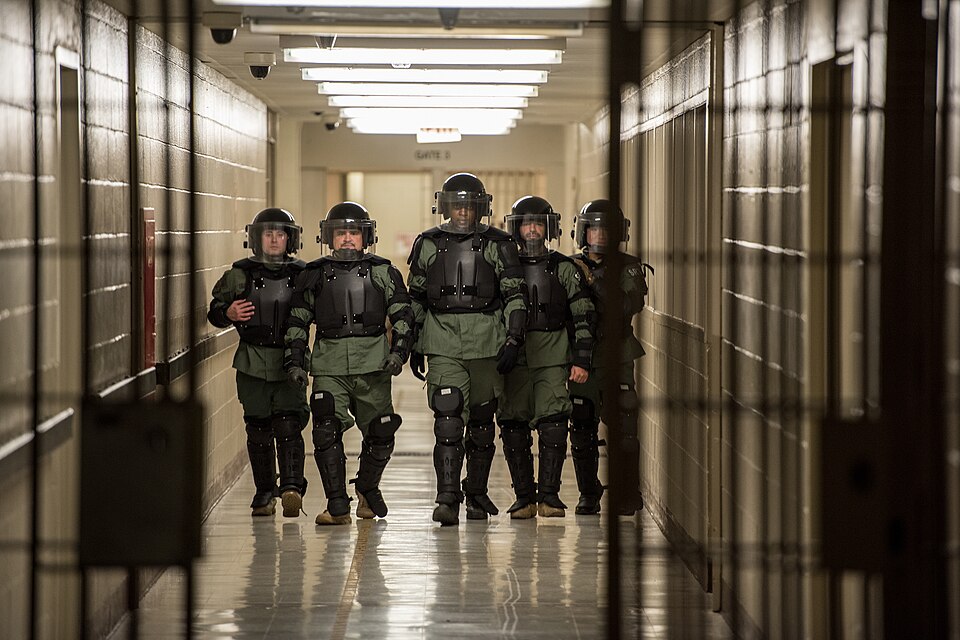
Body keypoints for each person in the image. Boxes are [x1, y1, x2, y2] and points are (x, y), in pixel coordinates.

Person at [406, 172, 528, 526]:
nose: (463, 212)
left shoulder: (499, 244)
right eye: (457, 205)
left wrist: (514, 338)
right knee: (447, 419)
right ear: (445, 207)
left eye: (470, 206)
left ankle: (475, 492)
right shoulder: (428, 243)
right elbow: (414, 296)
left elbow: (514, 295)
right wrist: (412, 342)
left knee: (481, 425)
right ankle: (447, 499)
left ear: (481, 208)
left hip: (487, 340)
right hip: (442, 338)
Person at [283, 202, 414, 525]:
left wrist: (399, 353)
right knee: (325, 429)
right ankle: (337, 503)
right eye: (340, 233)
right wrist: (295, 362)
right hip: (329, 364)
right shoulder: (312, 274)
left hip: (373, 363)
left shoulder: (383, 271)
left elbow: (403, 316)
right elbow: (297, 322)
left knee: (381, 432)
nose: (346, 239)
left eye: (353, 232)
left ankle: (368, 488)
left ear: (366, 236)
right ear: (329, 236)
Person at [497, 196, 596, 519]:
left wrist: (582, 359)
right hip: (516, 357)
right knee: (513, 425)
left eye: (539, 224)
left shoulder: (564, 268)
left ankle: (550, 496)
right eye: (526, 224)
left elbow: (583, 313)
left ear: (550, 227)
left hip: (553, 353)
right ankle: (523, 497)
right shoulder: (503, 267)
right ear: (516, 228)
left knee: (554, 425)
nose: (533, 230)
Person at [207, 207, 310, 518]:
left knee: (289, 424)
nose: (275, 239)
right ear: (256, 239)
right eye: (269, 234)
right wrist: (228, 314)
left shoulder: (303, 274)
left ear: (290, 239)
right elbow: (214, 310)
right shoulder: (240, 275)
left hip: (289, 358)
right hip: (252, 359)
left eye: (281, 234)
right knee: (259, 429)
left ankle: (291, 486)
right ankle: (264, 491)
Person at [568, 199, 653, 516]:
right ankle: (588, 494)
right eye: (594, 229)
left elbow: (627, 305)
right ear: (583, 232)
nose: (600, 236)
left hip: (616, 355)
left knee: (624, 429)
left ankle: (627, 493)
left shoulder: (628, 266)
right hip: (583, 358)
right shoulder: (570, 266)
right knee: (581, 427)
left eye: (606, 230)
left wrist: (594, 283)